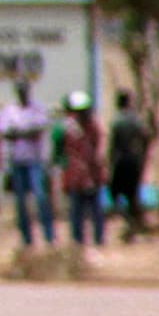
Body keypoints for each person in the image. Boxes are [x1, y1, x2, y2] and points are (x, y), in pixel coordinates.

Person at [0, 80, 46, 246]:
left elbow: (38, 130)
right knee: (20, 203)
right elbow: (6, 133)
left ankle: (48, 237)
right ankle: (27, 240)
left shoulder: (37, 108)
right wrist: (25, 132)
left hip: (34, 160)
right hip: (16, 160)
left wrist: (19, 133)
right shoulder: (9, 110)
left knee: (40, 198)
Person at [58, 94, 105, 246]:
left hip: (92, 173)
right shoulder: (68, 129)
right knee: (76, 210)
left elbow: (96, 149)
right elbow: (64, 152)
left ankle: (99, 239)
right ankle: (77, 241)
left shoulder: (93, 127)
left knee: (96, 209)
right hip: (75, 175)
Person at [104, 90, 150, 238]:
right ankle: (133, 224)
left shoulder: (117, 121)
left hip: (121, 160)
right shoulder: (136, 120)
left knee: (114, 193)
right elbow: (145, 136)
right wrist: (142, 154)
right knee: (132, 195)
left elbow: (113, 145)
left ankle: (129, 222)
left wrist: (110, 162)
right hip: (134, 159)